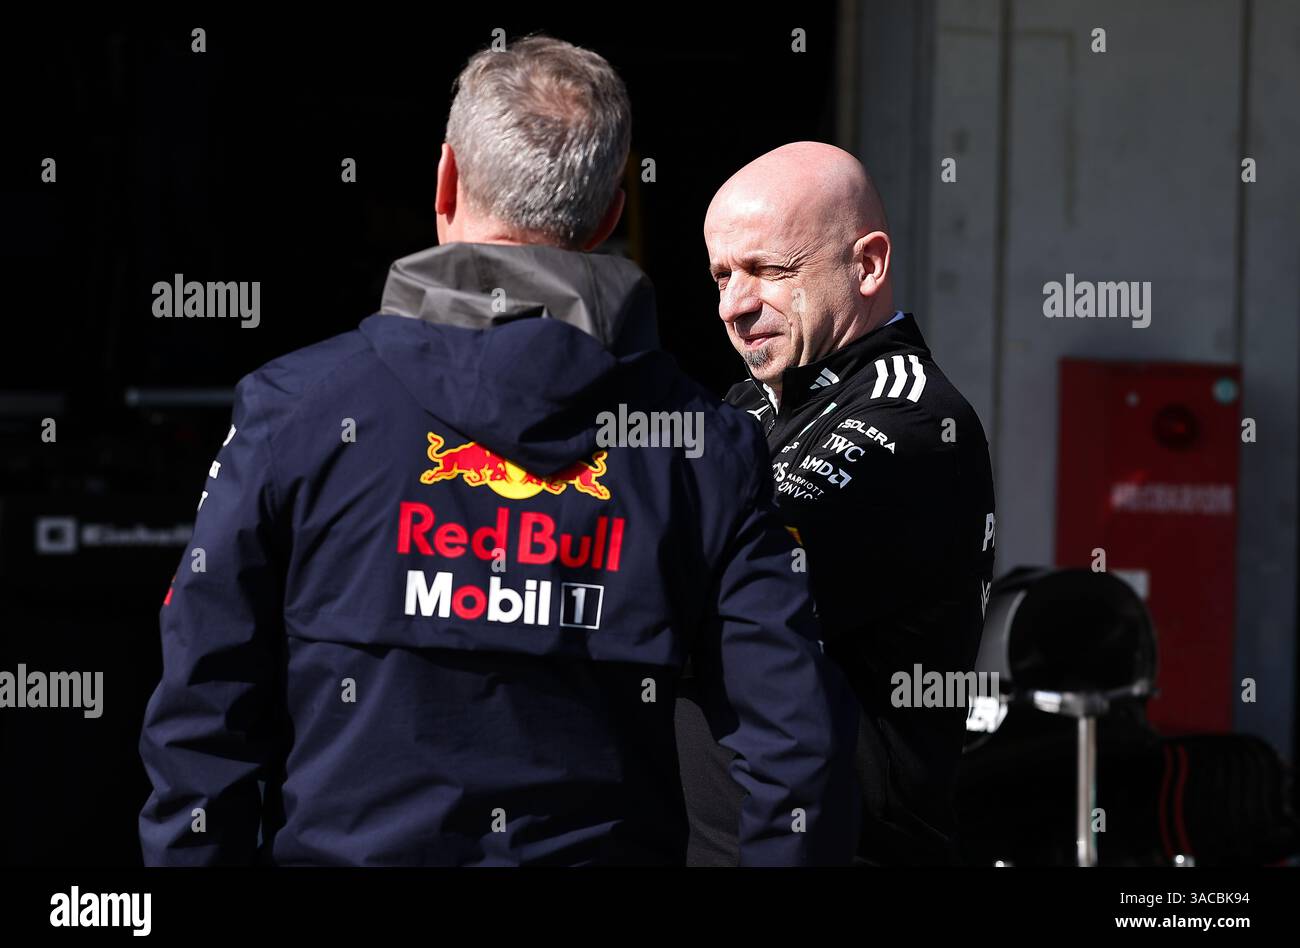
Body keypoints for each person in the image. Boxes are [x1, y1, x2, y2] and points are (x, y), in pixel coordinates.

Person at [138, 38, 856, 867]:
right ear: (612, 214)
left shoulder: (294, 413)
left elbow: (201, 723)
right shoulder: (708, 448)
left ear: (445, 182)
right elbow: (798, 753)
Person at [676, 141, 996, 865]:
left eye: (769, 270)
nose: (734, 305)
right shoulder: (750, 405)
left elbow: (706, 595)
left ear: (868, 264)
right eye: (721, 275)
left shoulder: (910, 422)